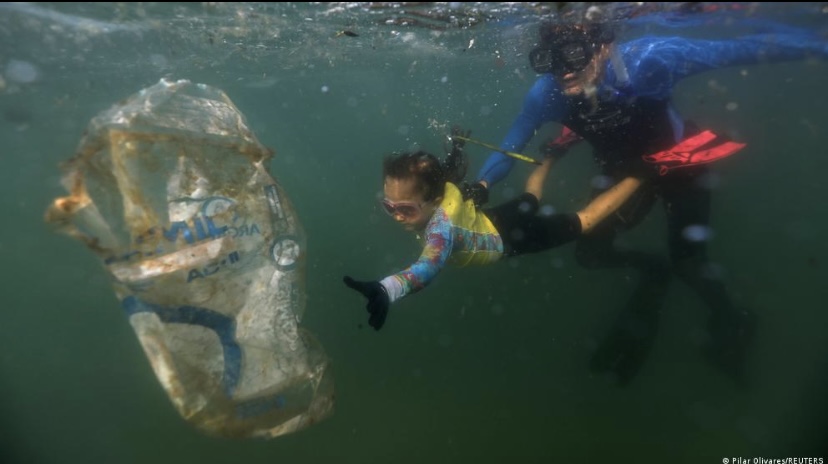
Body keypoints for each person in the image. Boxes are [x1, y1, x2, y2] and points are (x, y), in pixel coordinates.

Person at [464, 18, 828, 386]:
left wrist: (819, 43)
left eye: (574, 54)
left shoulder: (652, 60)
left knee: (689, 262)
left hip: (680, 167)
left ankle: (734, 320)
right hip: (624, 174)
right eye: (549, 60)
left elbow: (743, 50)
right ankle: (653, 270)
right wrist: (481, 184)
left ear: (605, 47)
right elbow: (510, 145)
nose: (564, 71)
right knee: (590, 254)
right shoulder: (546, 95)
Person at [343, 130, 643, 331]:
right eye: (389, 206)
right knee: (531, 199)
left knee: (586, 221)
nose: (396, 216)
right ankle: (555, 151)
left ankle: (643, 174)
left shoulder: (441, 228)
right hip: (490, 220)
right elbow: (443, 173)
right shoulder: (439, 186)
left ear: (434, 202)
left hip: (509, 240)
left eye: (405, 209)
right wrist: (457, 148)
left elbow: (428, 266)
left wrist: (387, 288)